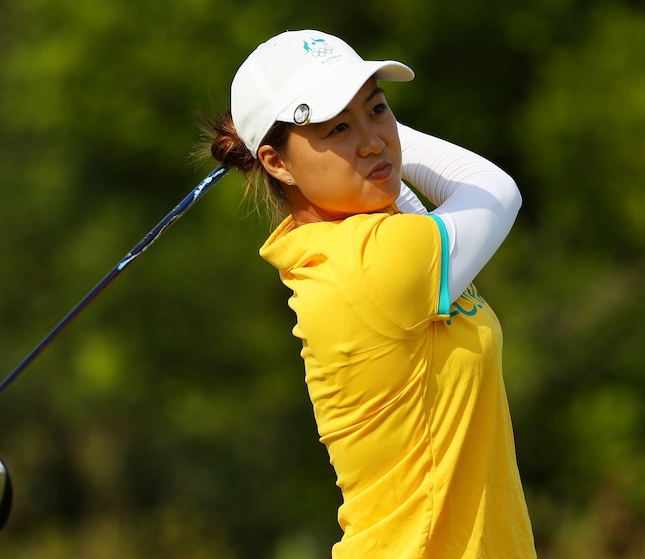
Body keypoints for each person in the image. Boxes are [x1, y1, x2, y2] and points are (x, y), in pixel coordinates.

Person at [204, 29, 536, 558]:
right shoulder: (372, 265)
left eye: (378, 109)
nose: (372, 141)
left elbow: (396, 191)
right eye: (336, 127)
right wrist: (380, 124)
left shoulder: (347, 245)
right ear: (276, 162)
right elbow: (494, 190)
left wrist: (363, 127)